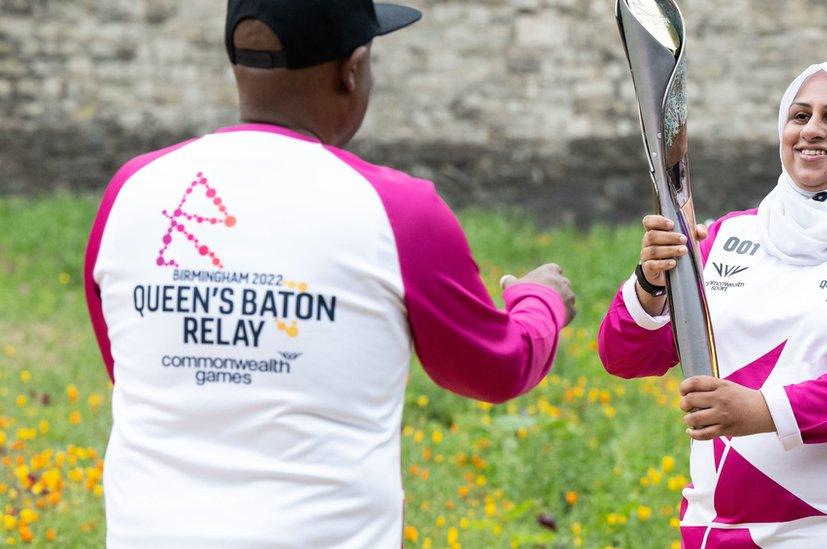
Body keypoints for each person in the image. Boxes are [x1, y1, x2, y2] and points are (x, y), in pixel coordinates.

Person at [83, 1, 575, 546]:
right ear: (353, 69)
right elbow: (496, 367)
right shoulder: (400, 211)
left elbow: (130, 368)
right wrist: (540, 300)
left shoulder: (130, 192)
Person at [598, 58, 827, 547]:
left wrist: (766, 411)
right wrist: (651, 283)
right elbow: (627, 358)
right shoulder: (730, 234)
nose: (811, 130)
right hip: (723, 531)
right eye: (799, 116)